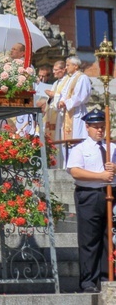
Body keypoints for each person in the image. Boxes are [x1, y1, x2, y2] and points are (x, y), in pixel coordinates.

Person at [66, 110, 114, 293]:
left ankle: (106, 276)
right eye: (95, 128)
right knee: (89, 239)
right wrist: (100, 175)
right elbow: (75, 172)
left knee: (108, 237)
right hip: (89, 194)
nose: (100, 131)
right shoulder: (80, 149)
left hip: (110, 193)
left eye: (102, 127)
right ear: (87, 127)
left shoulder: (112, 147)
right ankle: (88, 281)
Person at [56, 56, 92, 143]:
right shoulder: (69, 78)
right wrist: (61, 101)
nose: (66, 68)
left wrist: (65, 103)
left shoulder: (82, 78)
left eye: (68, 65)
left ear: (75, 66)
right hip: (67, 112)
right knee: (66, 141)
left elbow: (80, 96)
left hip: (77, 111)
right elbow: (64, 92)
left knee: (76, 137)